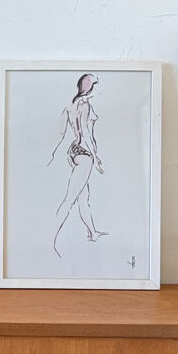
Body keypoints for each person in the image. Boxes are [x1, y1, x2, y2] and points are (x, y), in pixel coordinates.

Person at [47, 73, 108, 257]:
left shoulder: (70, 105)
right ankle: (48, 241)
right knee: (70, 199)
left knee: (83, 198)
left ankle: (93, 232)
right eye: (95, 86)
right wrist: (96, 158)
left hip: (74, 152)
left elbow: (61, 132)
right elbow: (86, 134)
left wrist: (59, 154)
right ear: (90, 87)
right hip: (85, 154)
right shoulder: (85, 105)